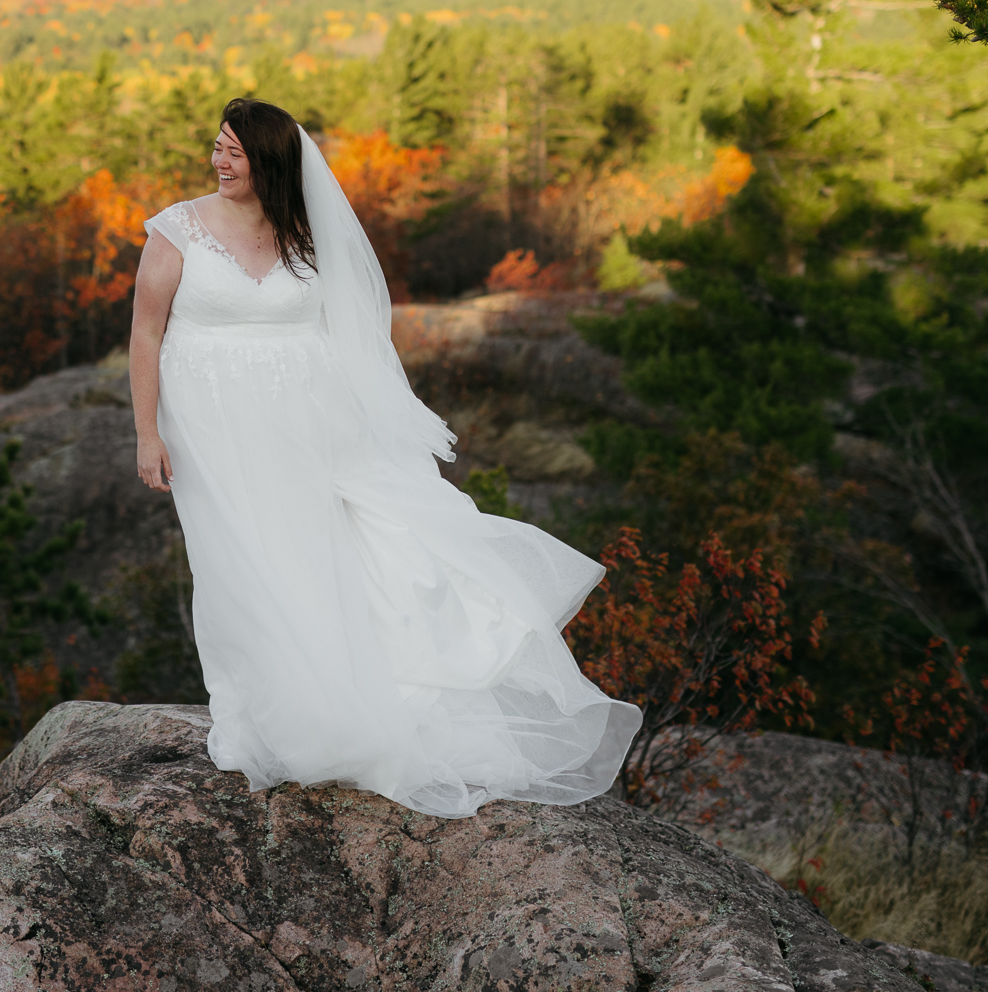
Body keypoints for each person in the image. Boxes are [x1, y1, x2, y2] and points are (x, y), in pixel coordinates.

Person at [128, 96, 641, 818]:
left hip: (308, 426)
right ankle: (262, 717)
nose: (219, 160)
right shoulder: (177, 229)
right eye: (217, 146)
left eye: (234, 152)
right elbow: (146, 333)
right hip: (210, 428)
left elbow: (353, 338)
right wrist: (147, 432)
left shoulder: (307, 236)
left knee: (318, 556)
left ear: (270, 163)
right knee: (235, 561)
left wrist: (376, 427)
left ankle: (339, 705)